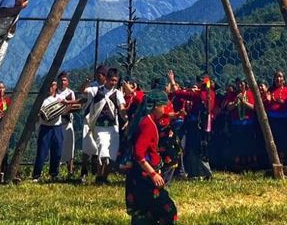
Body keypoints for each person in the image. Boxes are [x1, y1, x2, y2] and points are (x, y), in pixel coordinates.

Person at [124, 90, 179, 224]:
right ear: (155, 107)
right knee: (168, 211)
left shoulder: (142, 120)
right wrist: (153, 173)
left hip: (137, 176)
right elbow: (139, 153)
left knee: (144, 213)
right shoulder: (148, 125)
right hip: (145, 177)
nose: (165, 109)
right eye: (163, 106)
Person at [168, 71, 216, 180]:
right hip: (206, 126)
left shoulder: (199, 94)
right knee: (201, 149)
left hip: (196, 126)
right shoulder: (211, 93)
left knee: (194, 149)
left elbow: (177, 92)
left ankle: (201, 173)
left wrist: (172, 80)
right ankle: (198, 173)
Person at [85, 68, 125, 184]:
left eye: (115, 81)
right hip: (99, 127)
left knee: (111, 155)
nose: (113, 83)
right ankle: (99, 175)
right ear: (106, 79)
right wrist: (86, 82)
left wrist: (126, 118)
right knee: (103, 151)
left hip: (113, 127)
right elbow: (83, 90)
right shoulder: (97, 90)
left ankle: (104, 177)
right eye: (112, 80)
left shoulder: (117, 93)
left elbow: (121, 107)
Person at [33, 79, 67, 181]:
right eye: (49, 85)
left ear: (55, 86)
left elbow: (65, 109)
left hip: (57, 127)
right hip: (45, 128)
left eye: (52, 85)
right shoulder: (42, 100)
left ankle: (54, 173)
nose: (50, 88)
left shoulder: (60, 98)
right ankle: (37, 174)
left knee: (57, 151)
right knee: (42, 152)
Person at [227, 78, 260, 172]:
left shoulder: (250, 94)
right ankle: (238, 166)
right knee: (238, 145)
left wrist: (244, 102)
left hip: (248, 124)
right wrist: (234, 103)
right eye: (238, 84)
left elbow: (254, 107)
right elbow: (228, 108)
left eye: (241, 84)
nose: (240, 86)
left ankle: (250, 166)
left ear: (245, 84)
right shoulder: (233, 95)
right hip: (236, 124)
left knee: (248, 145)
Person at [264, 70, 287, 171]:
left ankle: (285, 168)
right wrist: (268, 101)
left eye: (280, 77)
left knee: (283, 144)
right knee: (273, 143)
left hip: (283, 121)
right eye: (276, 77)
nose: (278, 79)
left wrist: (276, 101)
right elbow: (266, 106)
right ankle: (272, 166)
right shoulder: (270, 90)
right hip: (272, 121)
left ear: (284, 80)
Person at [55, 72, 80, 177]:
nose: (62, 82)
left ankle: (70, 171)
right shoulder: (54, 93)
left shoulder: (71, 93)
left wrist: (66, 106)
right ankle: (56, 171)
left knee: (70, 147)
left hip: (68, 123)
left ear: (68, 82)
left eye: (64, 80)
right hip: (56, 123)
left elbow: (75, 106)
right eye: (60, 80)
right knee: (57, 147)